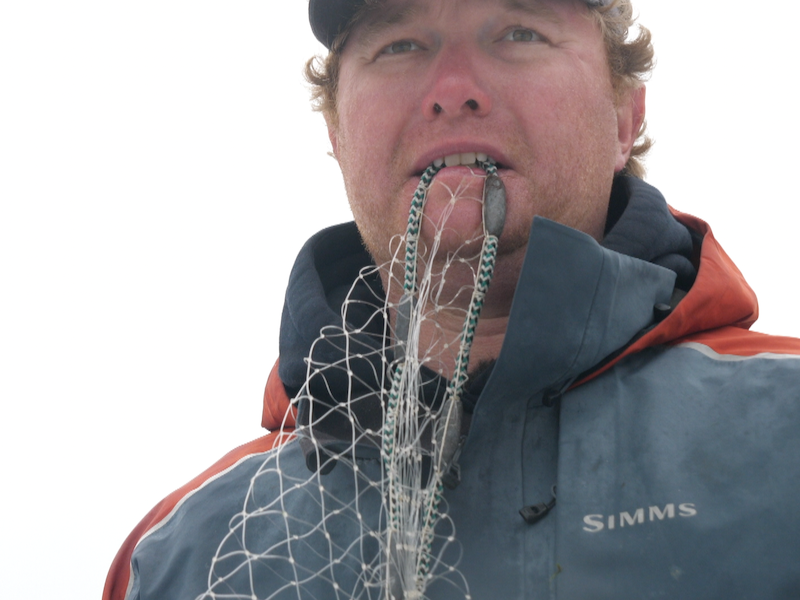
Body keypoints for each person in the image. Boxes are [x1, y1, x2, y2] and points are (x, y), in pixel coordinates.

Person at [103, 0, 800, 598]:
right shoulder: (176, 555)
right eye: (400, 44)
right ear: (336, 137)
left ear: (625, 117)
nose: (454, 89)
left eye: (518, 33)